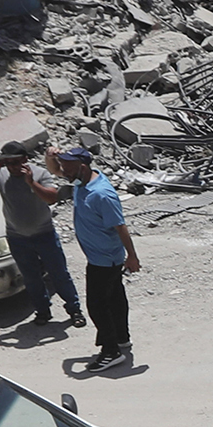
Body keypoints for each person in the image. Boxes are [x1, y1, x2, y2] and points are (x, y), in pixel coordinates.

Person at [0, 141, 86, 328]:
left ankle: (74, 310)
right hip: (17, 237)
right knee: (31, 277)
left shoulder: (40, 173)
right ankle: (42, 311)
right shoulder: (1, 176)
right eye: (8, 163)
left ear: (25, 159)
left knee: (59, 274)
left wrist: (31, 182)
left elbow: (52, 197)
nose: (13, 167)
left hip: (44, 233)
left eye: (16, 162)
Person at [54, 144, 138, 372]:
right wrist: (52, 156)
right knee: (115, 298)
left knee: (97, 306)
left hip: (105, 259)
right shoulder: (82, 182)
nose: (64, 173)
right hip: (102, 257)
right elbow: (57, 169)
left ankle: (111, 351)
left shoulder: (101, 194)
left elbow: (121, 226)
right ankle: (122, 338)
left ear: (81, 167)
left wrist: (132, 256)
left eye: (68, 168)